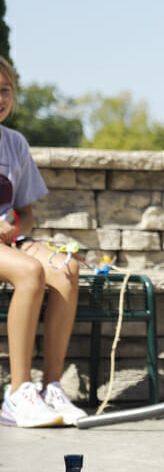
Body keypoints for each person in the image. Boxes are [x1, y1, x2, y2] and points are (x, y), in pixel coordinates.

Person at [0, 56, 87, 427]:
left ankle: (51, 387)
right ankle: (18, 392)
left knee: (66, 268)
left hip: (10, 242)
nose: (0, 98)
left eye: (5, 90)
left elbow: (26, 211)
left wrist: (13, 228)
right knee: (30, 272)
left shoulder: (15, 143)